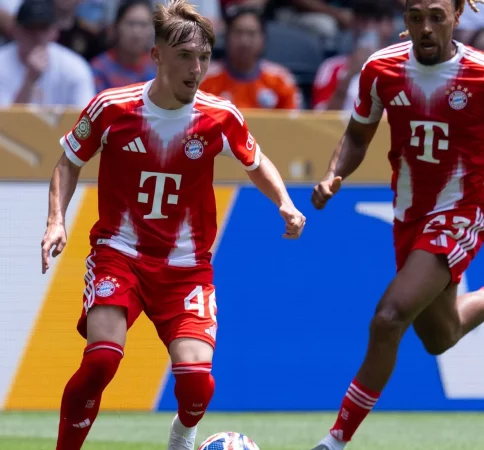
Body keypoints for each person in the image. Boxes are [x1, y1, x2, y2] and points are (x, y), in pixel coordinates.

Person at [308, 0, 484, 449]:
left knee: (388, 318)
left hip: (461, 212)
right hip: (409, 217)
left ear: (457, 16)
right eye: (416, 17)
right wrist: (334, 173)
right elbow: (358, 134)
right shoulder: (381, 69)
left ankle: (335, 440)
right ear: (405, 20)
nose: (426, 28)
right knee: (441, 336)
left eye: (437, 16)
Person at [40, 1, 306, 450]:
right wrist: (55, 221)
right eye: (185, 56)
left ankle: (182, 435)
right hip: (120, 254)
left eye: (204, 57)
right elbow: (69, 160)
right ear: (157, 54)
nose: (196, 68)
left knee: (196, 381)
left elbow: (256, 161)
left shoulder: (220, 116)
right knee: (102, 359)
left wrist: (285, 202)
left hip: (186, 268)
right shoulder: (112, 107)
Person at [201, 5, 302, 110]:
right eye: (238, 32)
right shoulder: (205, 78)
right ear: (226, 37)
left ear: (263, 39)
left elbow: (294, 118)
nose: (244, 41)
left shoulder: (281, 80)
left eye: (251, 33)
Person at [0, 0, 95, 107]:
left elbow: (87, 115)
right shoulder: (2, 64)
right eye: (30, 28)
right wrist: (30, 80)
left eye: (43, 28)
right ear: (15, 30)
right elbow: (5, 117)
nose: (37, 36)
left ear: (55, 31)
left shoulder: (74, 67)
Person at [90, 0, 157, 92]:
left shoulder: (159, 68)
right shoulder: (100, 69)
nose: (136, 32)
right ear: (116, 27)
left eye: (143, 24)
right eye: (130, 24)